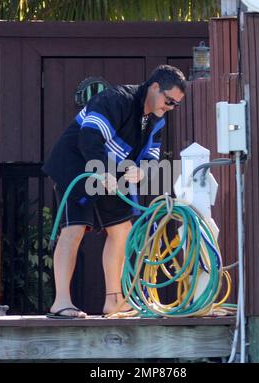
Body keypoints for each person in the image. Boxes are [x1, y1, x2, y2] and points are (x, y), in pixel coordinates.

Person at [42, 64, 187, 318]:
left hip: (110, 172)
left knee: (121, 231)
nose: (171, 107)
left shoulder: (157, 118)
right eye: (169, 100)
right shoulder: (116, 99)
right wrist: (101, 172)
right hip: (75, 165)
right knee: (73, 229)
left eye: (176, 103)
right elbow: (88, 137)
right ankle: (61, 302)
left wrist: (142, 172)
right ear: (155, 87)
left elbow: (152, 155)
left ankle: (113, 301)